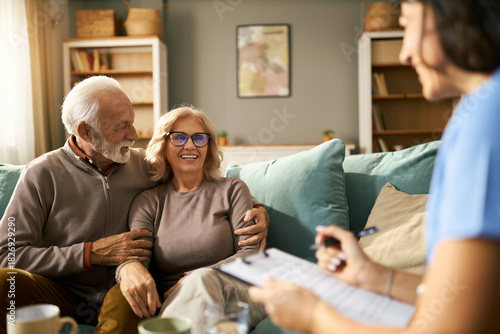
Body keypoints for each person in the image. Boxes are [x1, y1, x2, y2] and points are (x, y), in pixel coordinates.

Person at [249, 0, 500, 333]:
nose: (404, 53)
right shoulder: (481, 109)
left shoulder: (484, 121)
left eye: (408, 24)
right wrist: (374, 275)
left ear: (450, 14)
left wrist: (316, 318)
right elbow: (467, 301)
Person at [0, 76, 269, 333]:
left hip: (125, 287)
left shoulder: (142, 164)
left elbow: (198, 181)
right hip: (60, 287)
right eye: (121, 126)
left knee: (130, 298)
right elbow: (7, 254)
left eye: (132, 122)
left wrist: (257, 209)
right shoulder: (41, 174)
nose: (133, 134)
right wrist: (89, 254)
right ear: (85, 131)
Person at [95, 106, 267, 334]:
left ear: (208, 146)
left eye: (199, 138)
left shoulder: (233, 190)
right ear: (163, 145)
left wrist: (194, 277)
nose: (190, 145)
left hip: (238, 292)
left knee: (203, 279)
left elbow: (249, 254)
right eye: (178, 137)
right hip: (176, 304)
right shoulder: (148, 202)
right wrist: (128, 267)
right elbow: (138, 263)